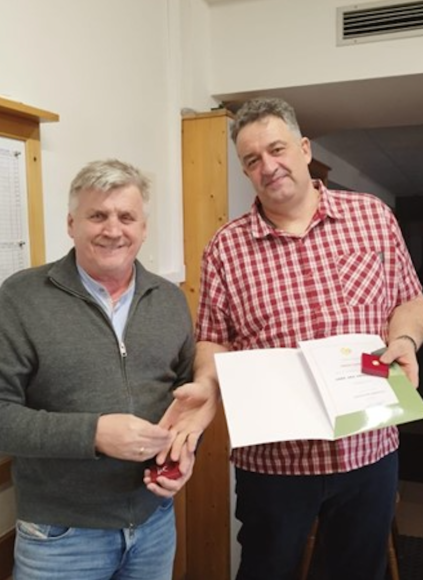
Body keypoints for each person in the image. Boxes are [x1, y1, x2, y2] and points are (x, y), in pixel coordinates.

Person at [161, 97, 423, 580]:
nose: (268, 166)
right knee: (266, 570)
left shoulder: (372, 217)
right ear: (245, 170)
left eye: (277, 149)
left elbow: (408, 299)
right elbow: (214, 340)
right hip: (274, 462)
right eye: (252, 159)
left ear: (304, 149)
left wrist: (404, 340)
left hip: (368, 449)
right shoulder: (225, 248)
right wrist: (206, 385)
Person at [0, 159, 196, 580]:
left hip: (154, 524)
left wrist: (184, 452)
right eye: (97, 216)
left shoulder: (169, 300)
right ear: (71, 224)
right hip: (59, 536)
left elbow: (185, 397)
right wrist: (94, 434)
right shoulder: (20, 298)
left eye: (126, 217)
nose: (113, 229)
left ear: (143, 228)